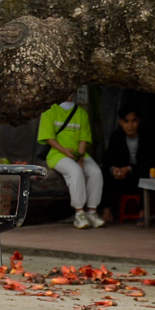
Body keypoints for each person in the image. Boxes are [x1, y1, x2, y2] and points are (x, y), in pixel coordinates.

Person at [38, 92, 104, 227]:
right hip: (57, 154)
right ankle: (79, 212)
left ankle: (92, 211)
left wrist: (80, 157)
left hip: (78, 154)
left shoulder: (81, 113)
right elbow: (48, 137)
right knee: (75, 171)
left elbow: (83, 138)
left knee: (95, 172)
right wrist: (64, 151)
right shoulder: (49, 110)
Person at [100, 106, 146, 223]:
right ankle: (106, 211)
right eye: (126, 122)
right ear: (121, 122)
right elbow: (109, 159)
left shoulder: (146, 137)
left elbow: (150, 162)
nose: (130, 126)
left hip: (139, 175)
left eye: (133, 121)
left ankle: (143, 212)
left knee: (144, 175)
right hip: (122, 177)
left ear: (138, 121)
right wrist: (114, 170)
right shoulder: (117, 137)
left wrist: (129, 169)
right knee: (101, 173)